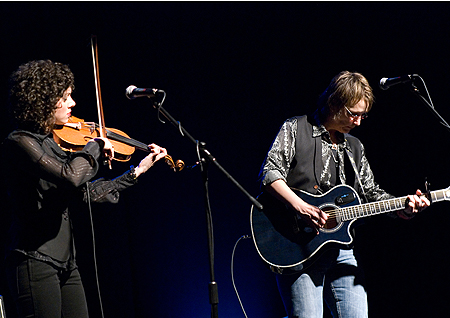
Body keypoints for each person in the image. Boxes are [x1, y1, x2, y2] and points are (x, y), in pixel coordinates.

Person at [1, 59, 168, 318]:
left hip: (67, 263)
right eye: (65, 97)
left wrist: (138, 171)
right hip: (33, 261)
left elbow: (85, 193)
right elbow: (71, 177)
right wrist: (95, 146)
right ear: (43, 100)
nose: (72, 104)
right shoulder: (19, 142)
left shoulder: (53, 144)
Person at [258, 71, 430, 318]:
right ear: (333, 103)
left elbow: (371, 194)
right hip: (297, 246)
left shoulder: (355, 147)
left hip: (341, 250)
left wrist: (403, 206)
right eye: (353, 114)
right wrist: (301, 207)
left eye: (363, 115)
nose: (358, 122)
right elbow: (269, 174)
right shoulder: (296, 128)